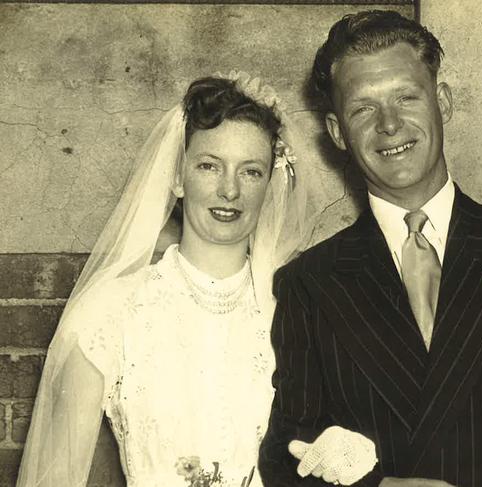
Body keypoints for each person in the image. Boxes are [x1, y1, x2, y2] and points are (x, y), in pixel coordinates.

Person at [259, 10, 482, 487]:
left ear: (443, 102)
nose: (389, 125)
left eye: (405, 97)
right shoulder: (311, 281)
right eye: (362, 109)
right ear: (336, 133)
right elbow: (287, 452)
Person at [17, 72, 318, 486]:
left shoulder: (296, 310)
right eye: (209, 166)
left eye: (250, 171)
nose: (229, 190)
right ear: (178, 177)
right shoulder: (110, 311)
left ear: (270, 182)